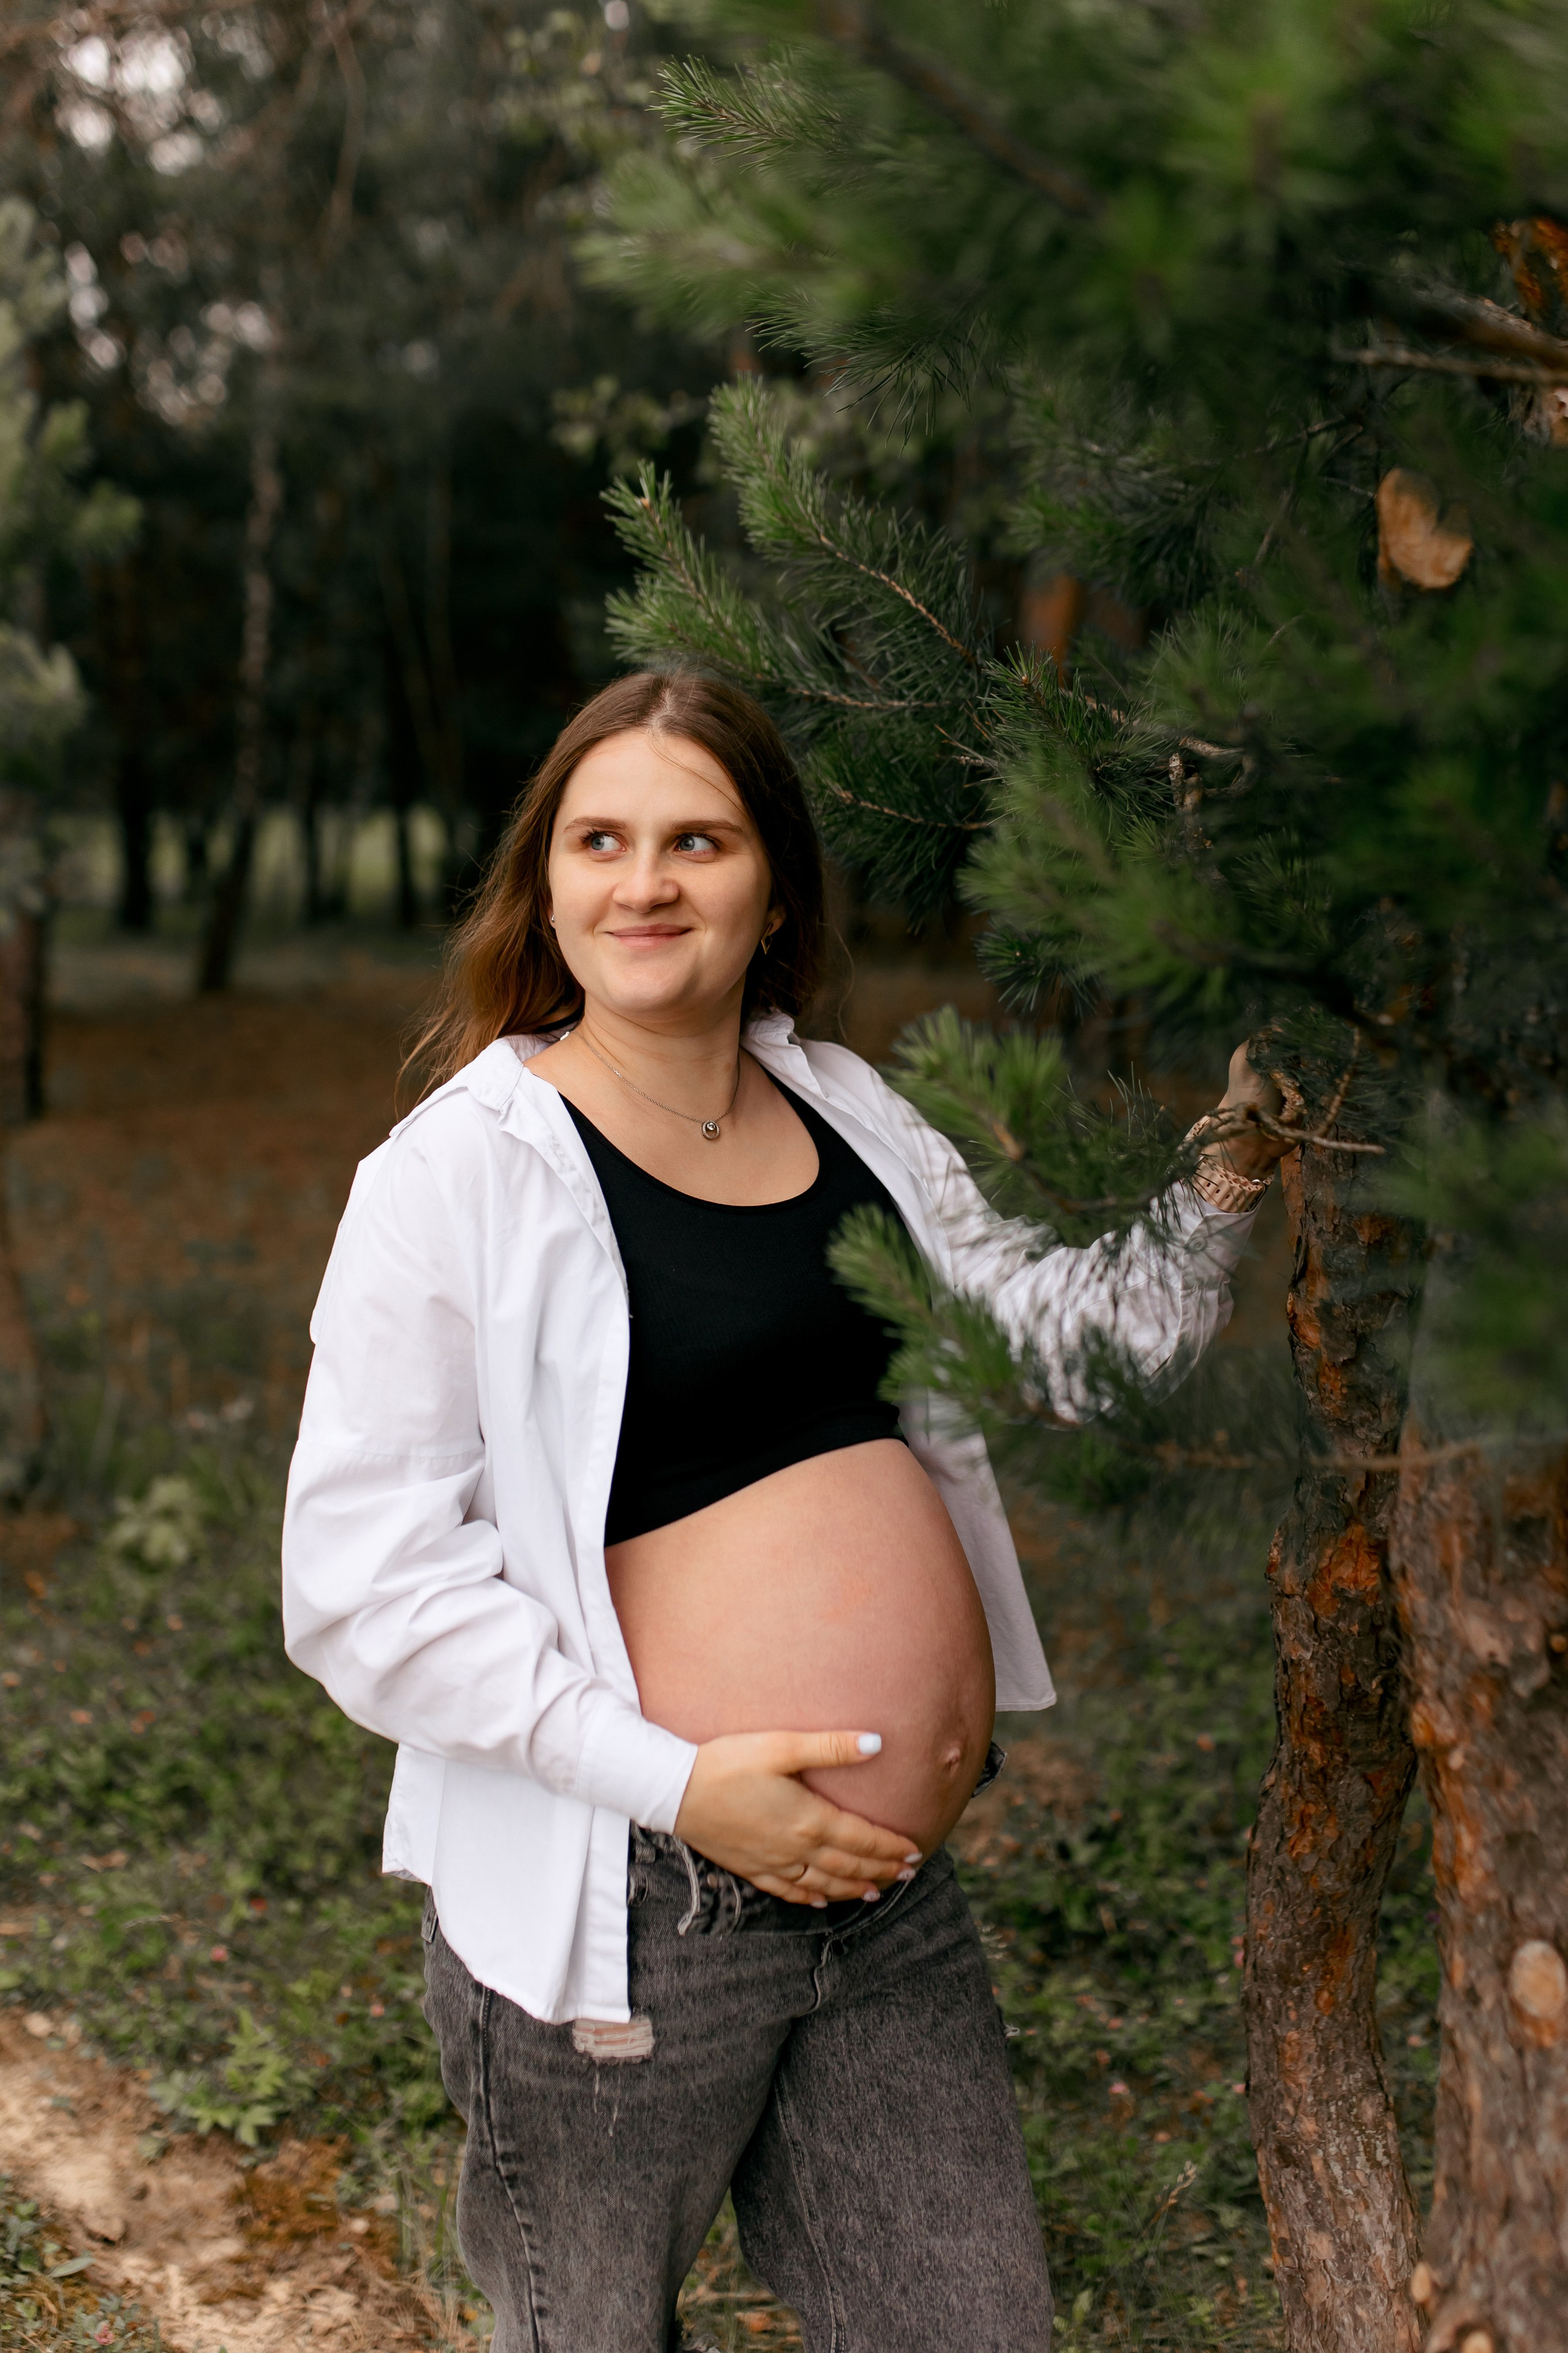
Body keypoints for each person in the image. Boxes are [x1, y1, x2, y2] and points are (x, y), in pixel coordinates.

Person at [281, 670, 1288, 2353]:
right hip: (638, 1904)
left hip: (887, 1902)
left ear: (774, 886)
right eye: (600, 841)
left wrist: (1231, 1173)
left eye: (699, 840)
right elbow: (360, 1586)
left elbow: (1056, 1342)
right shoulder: (456, 1175)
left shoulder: (844, 1107)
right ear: (547, 883)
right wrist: (682, 1785)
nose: (645, 883)